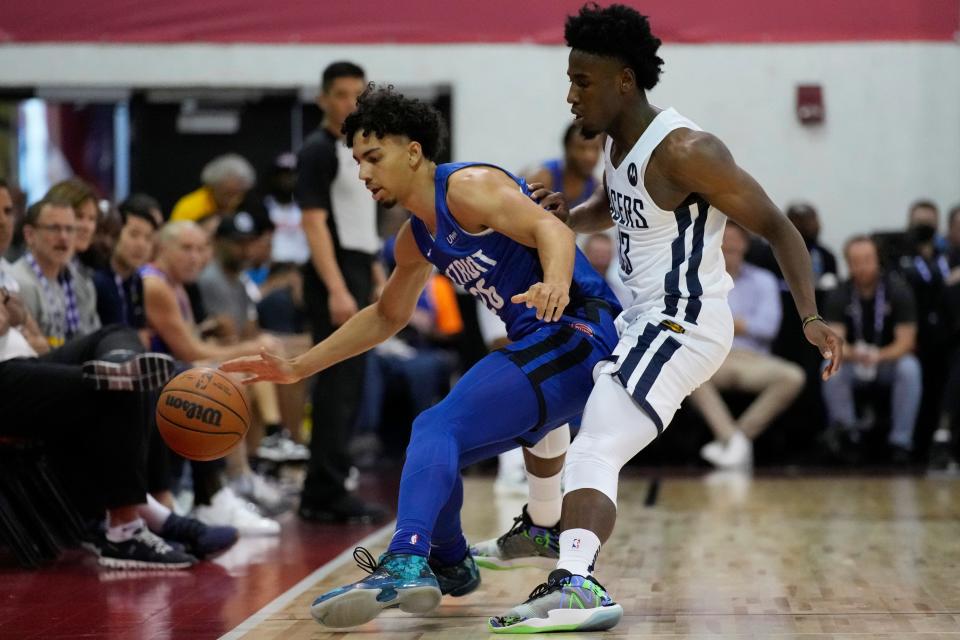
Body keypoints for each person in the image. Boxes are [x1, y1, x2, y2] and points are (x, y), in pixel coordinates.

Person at [490, 5, 842, 632]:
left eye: (582, 81)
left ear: (624, 80)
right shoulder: (617, 142)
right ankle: (552, 541)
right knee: (558, 405)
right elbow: (617, 205)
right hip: (643, 318)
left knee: (597, 442)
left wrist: (810, 315)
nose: (570, 96)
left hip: (686, 321)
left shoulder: (687, 149)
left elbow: (779, 227)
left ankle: (578, 584)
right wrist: (569, 216)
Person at [221, 86, 621, 629]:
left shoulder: (468, 186)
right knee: (435, 441)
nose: (363, 172)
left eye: (373, 156)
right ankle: (450, 561)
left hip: (580, 329)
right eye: (357, 160)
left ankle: (407, 558)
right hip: (542, 343)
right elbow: (386, 316)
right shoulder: (418, 238)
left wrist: (553, 282)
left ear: (413, 151)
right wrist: (297, 367)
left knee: (437, 425)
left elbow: (550, 226)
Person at [142, 220, 284, 535]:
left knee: (248, 370)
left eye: (201, 249)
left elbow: (190, 344)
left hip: (172, 371)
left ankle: (242, 475)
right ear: (162, 248)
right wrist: (247, 347)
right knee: (229, 381)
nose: (196, 257)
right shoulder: (155, 284)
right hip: (152, 379)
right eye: (186, 249)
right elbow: (189, 351)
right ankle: (222, 490)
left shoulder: (176, 284)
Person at [295, 61, 388, 523]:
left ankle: (332, 479)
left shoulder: (360, 150)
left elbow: (359, 223)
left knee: (351, 383)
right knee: (336, 382)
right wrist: (336, 287)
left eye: (358, 93)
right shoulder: (316, 151)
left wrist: (372, 272)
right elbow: (314, 223)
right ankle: (323, 490)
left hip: (355, 266)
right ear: (323, 99)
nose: (350, 102)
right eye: (340, 94)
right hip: (331, 273)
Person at [689, 223, 805, 469]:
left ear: (745, 244)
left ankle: (736, 440)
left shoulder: (764, 280)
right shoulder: (700, 280)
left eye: (735, 239)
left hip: (753, 359)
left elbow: (768, 327)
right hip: (714, 358)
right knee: (683, 372)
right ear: (715, 244)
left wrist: (724, 323)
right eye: (724, 239)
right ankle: (732, 440)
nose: (730, 245)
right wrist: (740, 324)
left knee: (792, 376)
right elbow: (694, 324)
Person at [820, 236, 920, 464]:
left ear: (878, 260)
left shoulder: (898, 290)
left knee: (910, 368)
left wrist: (878, 356)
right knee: (829, 367)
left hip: (887, 361)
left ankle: (901, 442)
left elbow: (906, 341)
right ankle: (847, 438)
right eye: (856, 261)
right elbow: (834, 340)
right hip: (854, 360)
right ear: (848, 264)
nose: (862, 266)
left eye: (867, 259)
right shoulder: (840, 293)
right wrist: (857, 354)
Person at [11, 197, 101, 347]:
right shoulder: (18, 283)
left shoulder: (79, 281)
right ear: (30, 235)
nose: (63, 237)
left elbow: (95, 338)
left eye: (70, 229)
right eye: (54, 228)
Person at [93, 194, 161, 333]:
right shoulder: (98, 281)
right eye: (134, 235)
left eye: (148, 238)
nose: (141, 245)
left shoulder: (136, 280)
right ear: (114, 234)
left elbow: (141, 334)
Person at [170, 154, 256, 233]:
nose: (233, 200)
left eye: (237, 194)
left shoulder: (249, 204)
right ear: (213, 186)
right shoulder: (190, 207)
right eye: (227, 194)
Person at [523, 123, 601, 208]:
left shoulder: (596, 189)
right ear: (567, 147)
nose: (590, 156)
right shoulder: (541, 178)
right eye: (581, 148)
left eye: (595, 149)